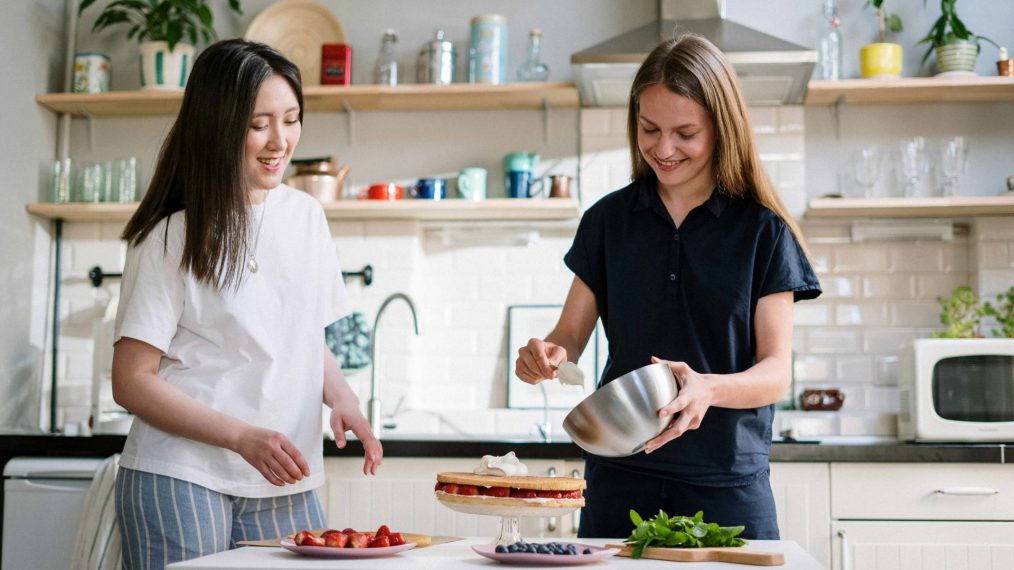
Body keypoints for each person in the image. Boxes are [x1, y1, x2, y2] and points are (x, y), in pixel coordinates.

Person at [515, 34, 821, 540]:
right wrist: (546, 355)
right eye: (649, 128)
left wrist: (708, 387)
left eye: (685, 133)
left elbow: (775, 373)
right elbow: (569, 333)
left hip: (726, 484)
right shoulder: (607, 221)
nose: (663, 148)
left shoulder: (763, 232)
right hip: (619, 477)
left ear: (722, 129)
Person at [111, 39, 382, 567]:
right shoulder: (171, 234)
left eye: (291, 119)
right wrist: (240, 437)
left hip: (283, 474)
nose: (279, 141)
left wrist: (344, 400)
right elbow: (131, 380)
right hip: (181, 475)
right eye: (259, 124)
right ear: (218, 125)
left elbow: (303, 338)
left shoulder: (306, 217)